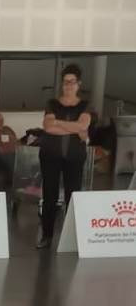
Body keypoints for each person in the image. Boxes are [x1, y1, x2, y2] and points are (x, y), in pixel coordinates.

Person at [37, 64, 90, 249]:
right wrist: (75, 129)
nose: (68, 85)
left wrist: (59, 123)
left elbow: (83, 126)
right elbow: (48, 127)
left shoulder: (85, 105)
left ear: (79, 84)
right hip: (50, 155)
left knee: (72, 195)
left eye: (72, 82)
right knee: (49, 196)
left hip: (74, 157)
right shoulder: (52, 103)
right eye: (65, 82)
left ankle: (71, 238)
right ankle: (47, 236)